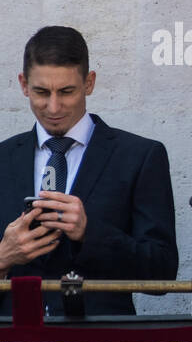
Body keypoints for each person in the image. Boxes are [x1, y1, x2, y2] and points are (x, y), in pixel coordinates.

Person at [0, 26, 178, 317]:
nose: (53, 106)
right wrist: (2, 259)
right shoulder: (3, 158)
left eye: (67, 91)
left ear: (89, 83)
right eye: (41, 92)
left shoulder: (140, 156)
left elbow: (162, 273)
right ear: (23, 84)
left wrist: (89, 233)